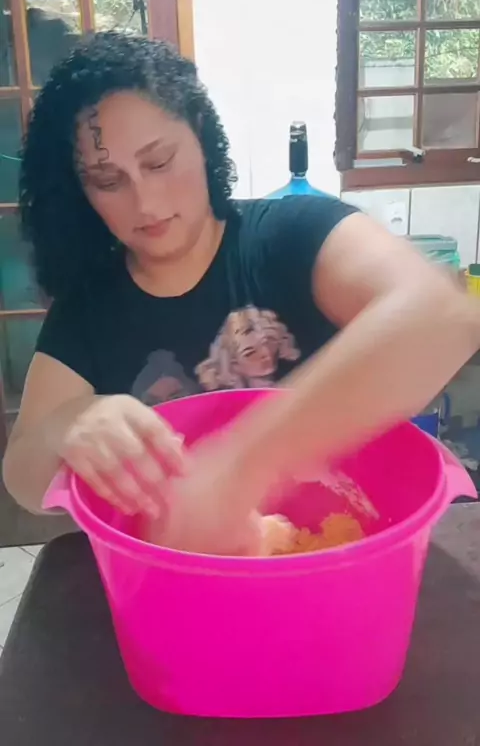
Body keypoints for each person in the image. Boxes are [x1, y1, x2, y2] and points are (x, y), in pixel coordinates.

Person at [2, 32, 479, 555]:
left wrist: (239, 468)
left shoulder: (292, 236)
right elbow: (22, 476)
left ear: (199, 132)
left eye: (158, 162)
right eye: (108, 181)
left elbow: (441, 315)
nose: (146, 202)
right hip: (176, 580)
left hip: (339, 562)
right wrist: (67, 424)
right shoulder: (89, 308)